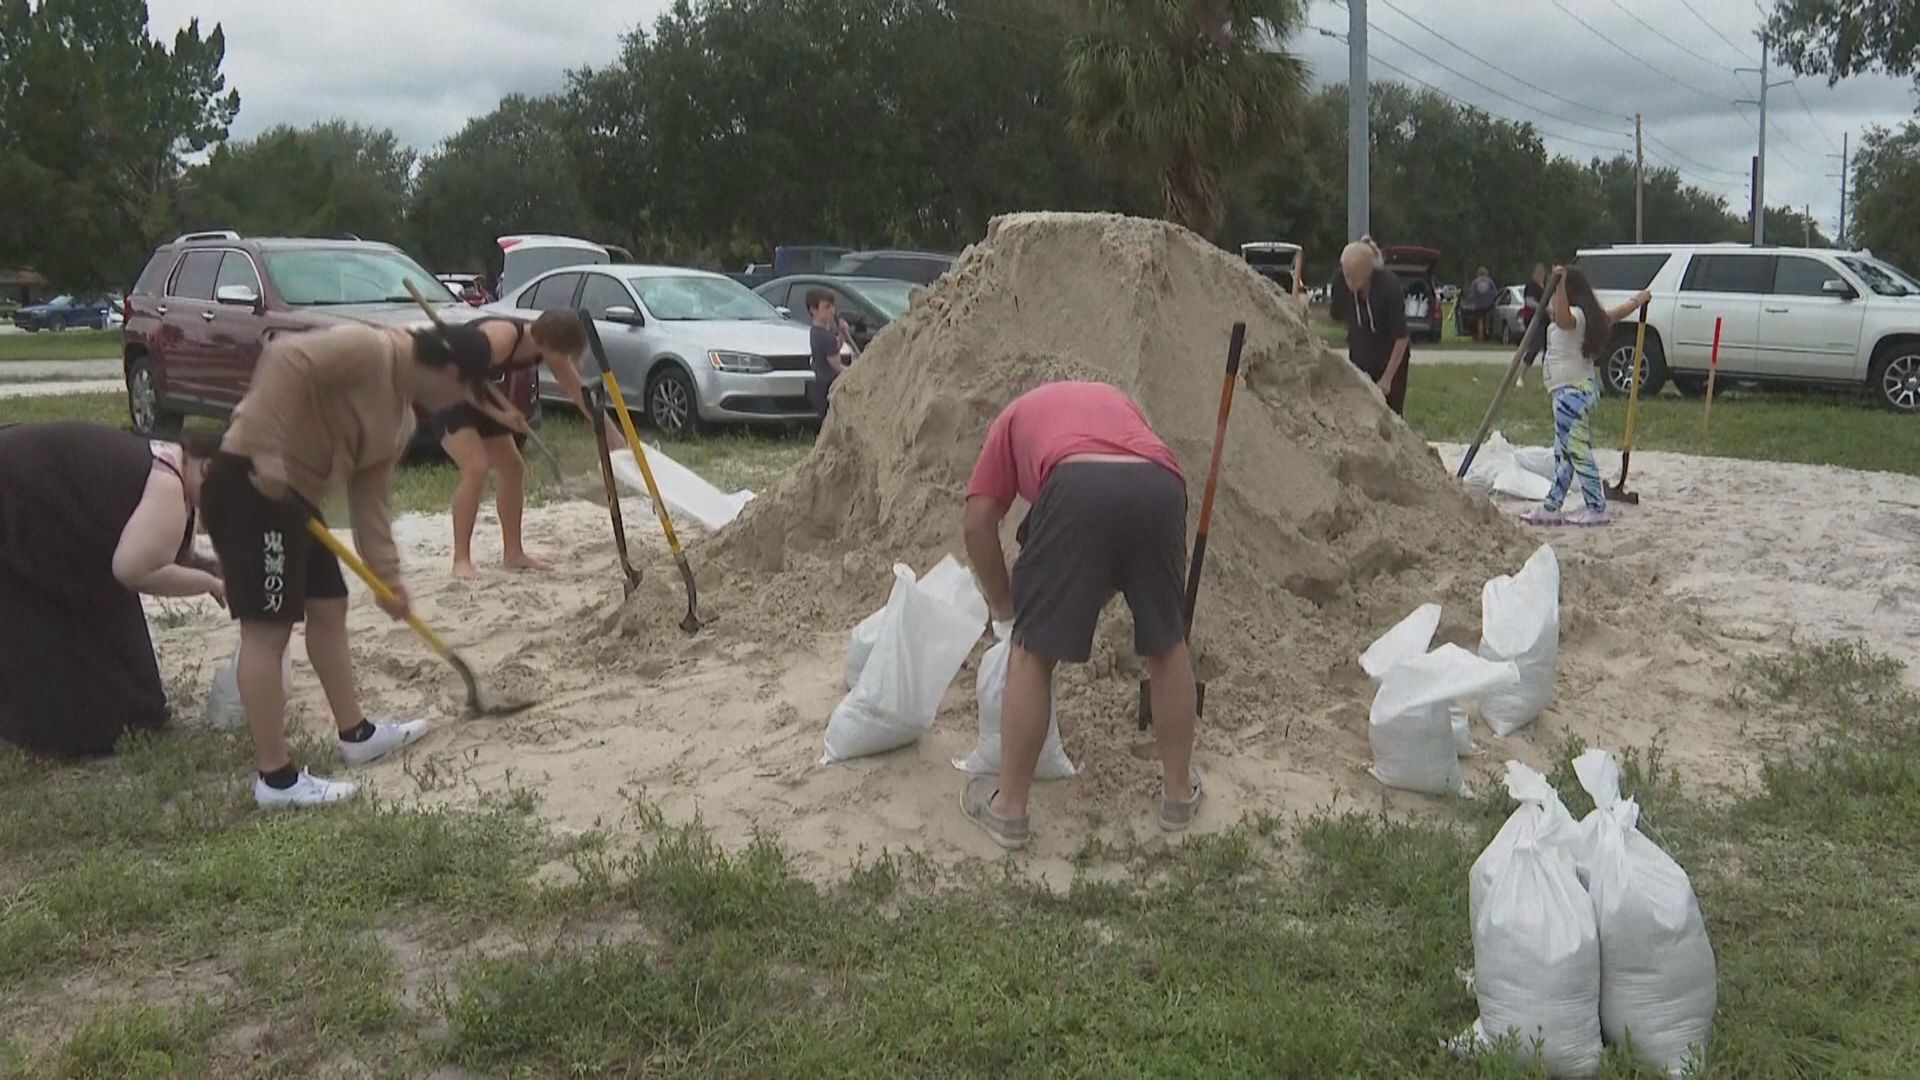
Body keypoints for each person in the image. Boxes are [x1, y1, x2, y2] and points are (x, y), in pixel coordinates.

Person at [202, 321, 497, 808]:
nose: (460, 404)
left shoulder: (399, 420)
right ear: (446, 370)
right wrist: (269, 450)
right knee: (268, 631)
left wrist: (387, 578)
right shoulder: (371, 349)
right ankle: (275, 781)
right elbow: (285, 358)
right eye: (465, 389)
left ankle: (355, 734)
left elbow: (370, 500)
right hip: (251, 485)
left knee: (329, 607)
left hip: (297, 503)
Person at [958, 381, 1200, 849]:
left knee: (1031, 654)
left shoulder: (1010, 422)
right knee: (1168, 644)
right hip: (1161, 484)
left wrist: (1009, 612)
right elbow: (1113, 530)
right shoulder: (1118, 403)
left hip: (1074, 484)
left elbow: (977, 524)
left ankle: (1008, 809)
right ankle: (1177, 796)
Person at [0, 423, 225, 757]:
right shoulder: (168, 484)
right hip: (23, 493)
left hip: (36, 486)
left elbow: (166, 556)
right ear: (207, 467)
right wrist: (210, 584)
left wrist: (210, 569)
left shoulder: (171, 462)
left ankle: (119, 717)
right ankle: (80, 730)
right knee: (51, 615)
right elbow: (135, 571)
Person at [439, 311, 596, 579]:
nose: (564, 361)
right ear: (548, 341)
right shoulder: (500, 338)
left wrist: (612, 436)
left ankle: (514, 553)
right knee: (475, 467)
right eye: (564, 353)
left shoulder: (545, 347)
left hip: (479, 393)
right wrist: (502, 415)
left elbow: (576, 390)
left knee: (513, 468)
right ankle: (461, 560)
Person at [1522, 266, 1650, 529]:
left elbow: (1562, 317)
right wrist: (1638, 300)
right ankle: (1552, 506)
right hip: (1569, 393)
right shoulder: (1590, 317)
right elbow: (1618, 313)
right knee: (1564, 456)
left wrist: (1559, 284)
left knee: (1578, 453)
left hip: (1572, 394)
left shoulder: (1574, 318)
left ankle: (1596, 506)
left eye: (1556, 293)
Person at [1328, 240, 1413, 415]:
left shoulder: (1388, 286)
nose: (1348, 279)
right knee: (1360, 411)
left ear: (1367, 272)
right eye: (1346, 273)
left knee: (1390, 414)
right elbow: (1335, 316)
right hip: (1360, 355)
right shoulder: (1340, 284)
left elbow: (1401, 337)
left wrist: (1387, 379)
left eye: (1353, 275)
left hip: (1389, 358)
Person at [806, 290, 850, 418]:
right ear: (813, 310)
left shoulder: (818, 331)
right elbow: (837, 366)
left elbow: (835, 348)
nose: (832, 310)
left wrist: (842, 334)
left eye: (832, 306)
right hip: (828, 386)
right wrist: (857, 372)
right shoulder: (824, 337)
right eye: (826, 307)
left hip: (821, 383)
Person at [1464, 265, 1499, 343]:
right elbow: (1495, 293)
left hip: (1478, 305)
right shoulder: (1490, 282)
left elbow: (1471, 294)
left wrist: (1468, 303)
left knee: (1480, 321)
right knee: (1488, 319)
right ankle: (1487, 333)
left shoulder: (1475, 282)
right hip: (1489, 305)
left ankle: (1481, 338)